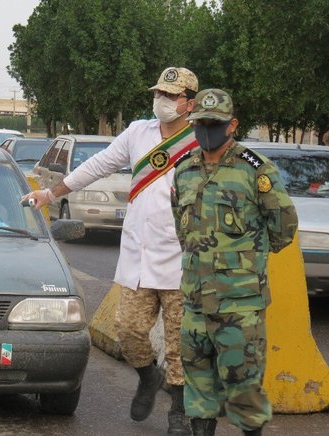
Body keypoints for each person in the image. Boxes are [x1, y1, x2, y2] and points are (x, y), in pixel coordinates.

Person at [23, 67, 199, 435]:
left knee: (181, 342)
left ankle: (179, 410)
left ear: (189, 102)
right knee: (129, 331)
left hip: (184, 259)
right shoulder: (139, 132)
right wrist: (52, 193)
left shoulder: (200, 140)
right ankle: (148, 377)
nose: (161, 102)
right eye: (159, 94)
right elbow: (100, 164)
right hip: (139, 253)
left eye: (170, 96)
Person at [171, 89, 298, 435]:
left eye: (215, 123)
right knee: (198, 390)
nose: (207, 129)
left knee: (244, 388)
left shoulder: (253, 168)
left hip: (239, 305)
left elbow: (284, 225)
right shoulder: (184, 170)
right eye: (201, 123)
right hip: (195, 303)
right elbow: (183, 230)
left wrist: (248, 258)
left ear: (233, 125)